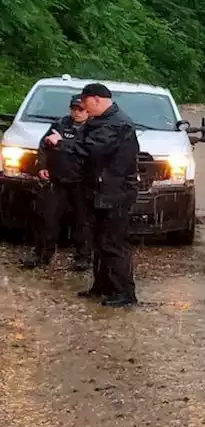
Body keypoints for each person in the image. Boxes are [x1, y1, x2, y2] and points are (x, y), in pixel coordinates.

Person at [45, 83, 140, 307]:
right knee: (99, 242)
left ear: (96, 99)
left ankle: (125, 293)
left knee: (113, 244)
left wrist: (61, 144)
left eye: (85, 103)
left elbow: (90, 149)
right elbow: (83, 144)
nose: (83, 109)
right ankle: (103, 287)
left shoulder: (117, 124)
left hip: (115, 193)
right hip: (97, 191)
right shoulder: (100, 121)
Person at [21, 96, 92, 271]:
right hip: (57, 179)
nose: (77, 113)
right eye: (74, 109)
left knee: (82, 221)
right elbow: (45, 146)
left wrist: (63, 142)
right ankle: (41, 254)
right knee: (48, 218)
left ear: (88, 111)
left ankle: (83, 257)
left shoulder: (94, 129)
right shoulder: (60, 124)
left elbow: (90, 151)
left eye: (81, 109)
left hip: (82, 182)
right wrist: (42, 166)